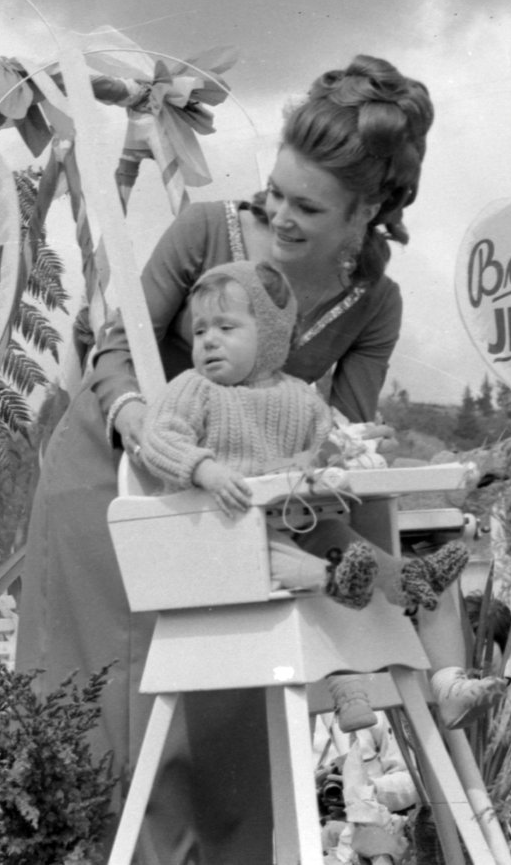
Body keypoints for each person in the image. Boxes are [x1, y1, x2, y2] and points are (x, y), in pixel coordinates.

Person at [20, 56, 489, 863]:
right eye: (277, 192)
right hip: (110, 485)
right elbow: (110, 353)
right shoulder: (209, 230)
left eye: (308, 205)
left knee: (228, 742)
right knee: (111, 738)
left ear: (367, 210)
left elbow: (338, 435)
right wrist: (147, 427)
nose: (281, 214)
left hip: (235, 515)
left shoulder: (374, 304)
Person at [136, 259, 472, 626]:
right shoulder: (193, 388)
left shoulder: (300, 398)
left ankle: (403, 577)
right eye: (200, 332)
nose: (209, 340)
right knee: (257, 536)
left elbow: (326, 448)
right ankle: (331, 579)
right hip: (213, 530)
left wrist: (354, 451)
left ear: (269, 335)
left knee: (330, 530)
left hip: (289, 517)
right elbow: (159, 437)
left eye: (225, 327)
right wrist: (205, 470)